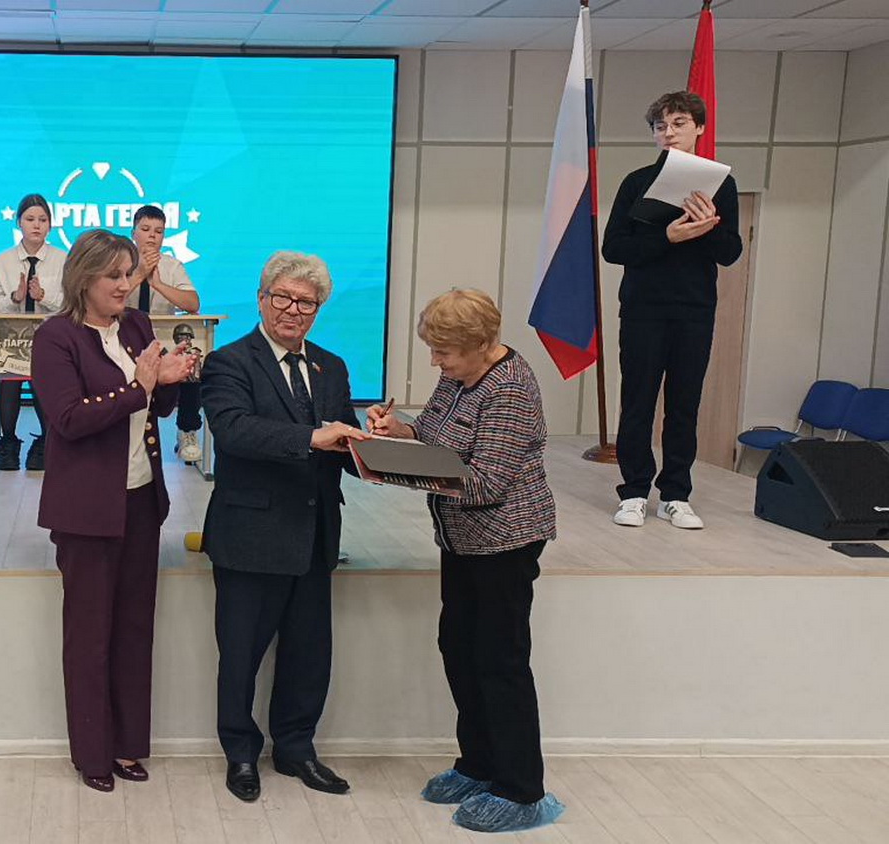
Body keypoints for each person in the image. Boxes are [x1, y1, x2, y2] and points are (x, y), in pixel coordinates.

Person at [366, 289, 564, 834]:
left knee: (500, 660)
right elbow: (436, 434)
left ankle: (521, 788)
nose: (436, 361)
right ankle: (478, 764)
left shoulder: (510, 388)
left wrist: (392, 469)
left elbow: (484, 483)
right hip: (460, 540)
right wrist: (400, 431)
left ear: (481, 343)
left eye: (444, 352)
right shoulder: (460, 374)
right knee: (458, 647)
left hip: (505, 542)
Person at [31, 229, 195, 793]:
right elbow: (69, 419)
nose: (127, 285)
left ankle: (127, 745)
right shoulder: (56, 337)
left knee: (133, 628)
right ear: (84, 279)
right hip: (86, 510)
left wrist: (170, 379)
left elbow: (158, 408)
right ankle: (93, 753)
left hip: (141, 499)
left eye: (129, 274)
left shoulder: (137, 326)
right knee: (89, 635)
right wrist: (139, 386)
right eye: (114, 276)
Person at [200, 250, 368, 803]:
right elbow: (234, 432)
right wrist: (312, 438)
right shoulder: (228, 362)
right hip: (250, 536)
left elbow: (342, 444)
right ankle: (241, 754)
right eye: (284, 298)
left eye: (307, 303)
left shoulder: (331, 366)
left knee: (308, 655)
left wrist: (375, 442)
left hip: (315, 536)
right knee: (240, 656)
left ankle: (296, 749)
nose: (294, 310)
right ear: (261, 299)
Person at [603, 91, 743, 531]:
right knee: (638, 402)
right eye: (660, 126)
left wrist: (706, 228)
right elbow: (613, 248)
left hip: (694, 310)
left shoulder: (721, 185)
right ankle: (634, 492)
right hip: (643, 309)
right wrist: (668, 237)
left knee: (684, 405)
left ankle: (676, 495)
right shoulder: (636, 182)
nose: (669, 133)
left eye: (679, 123)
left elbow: (731, 252)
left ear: (699, 128)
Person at [0, 193, 65, 471]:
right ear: (19, 222)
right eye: (30, 219)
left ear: (50, 225)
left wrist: (44, 297)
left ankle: (46, 441)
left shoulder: (62, 260)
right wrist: (15, 298)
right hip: (10, 342)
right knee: (9, 377)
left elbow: (72, 304)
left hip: (51, 341)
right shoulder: (3, 261)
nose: (36, 225)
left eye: (42, 220)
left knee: (44, 377)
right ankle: (8, 443)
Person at [126, 205, 205, 464]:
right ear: (133, 232)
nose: (152, 236)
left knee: (192, 359)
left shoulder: (172, 266)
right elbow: (105, 299)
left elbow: (193, 303)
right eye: (145, 229)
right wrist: (139, 275)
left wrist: (158, 284)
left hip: (161, 340)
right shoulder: (120, 261)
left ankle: (187, 430)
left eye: (158, 231)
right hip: (125, 339)